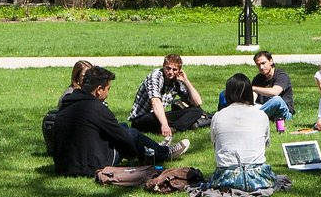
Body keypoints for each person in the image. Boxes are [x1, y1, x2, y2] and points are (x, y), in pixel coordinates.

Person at [53, 66, 190, 177]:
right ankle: (164, 152)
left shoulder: (67, 103)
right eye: (108, 89)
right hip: (91, 166)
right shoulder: (95, 108)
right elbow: (125, 139)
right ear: (99, 90)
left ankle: (154, 148)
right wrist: (134, 154)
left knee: (122, 127)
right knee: (130, 133)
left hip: (63, 166)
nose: (108, 93)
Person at [206, 73, 281, 191]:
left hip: (225, 178)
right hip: (258, 177)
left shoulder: (218, 116)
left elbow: (214, 143)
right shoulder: (261, 115)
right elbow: (265, 143)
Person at [129, 54, 209, 137]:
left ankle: (173, 128)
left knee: (197, 111)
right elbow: (155, 102)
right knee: (159, 117)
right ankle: (180, 126)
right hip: (142, 119)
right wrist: (164, 125)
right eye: (168, 68)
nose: (171, 72)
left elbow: (197, 102)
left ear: (179, 71)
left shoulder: (176, 81)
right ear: (163, 66)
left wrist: (186, 81)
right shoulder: (155, 76)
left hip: (159, 116)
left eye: (174, 69)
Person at [42, 60, 93, 154]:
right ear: (76, 77)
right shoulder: (70, 95)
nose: (88, 79)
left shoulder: (89, 92)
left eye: (90, 75)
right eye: (84, 76)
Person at [251, 50, 295, 132]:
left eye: (263, 63)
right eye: (258, 65)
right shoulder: (258, 78)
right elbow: (253, 97)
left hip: (283, 114)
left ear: (271, 61)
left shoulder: (281, 75)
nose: (261, 67)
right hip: (265, 111)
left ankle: (251, 118)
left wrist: (254, 88)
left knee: (277, 100)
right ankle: (252, 115)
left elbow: (275, 92)